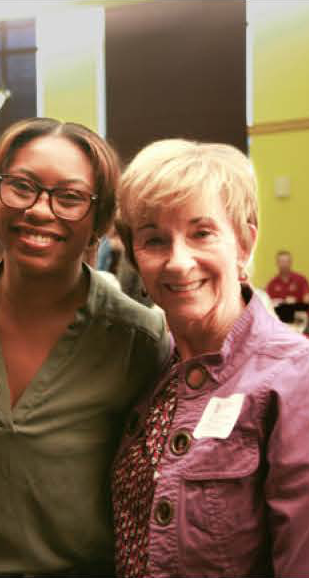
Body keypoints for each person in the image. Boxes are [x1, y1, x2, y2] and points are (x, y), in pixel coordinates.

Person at [0, 118, 164, 576]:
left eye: (70, 197)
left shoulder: (137, 339)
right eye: (22, 186)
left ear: (100, 220)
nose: (39, 209)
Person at [107, 138, 308, 577]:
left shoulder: (296, 377)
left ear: (244, 241)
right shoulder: (151, 366)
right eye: (155, 240)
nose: (179, 262)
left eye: (202, 233)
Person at [267, 249, 307, 324]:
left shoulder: (301, 279)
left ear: (291, 262)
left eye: (286, 261)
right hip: (279, 318)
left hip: (298, 316)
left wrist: (296, 301)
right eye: (281, 262)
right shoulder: (272, 283)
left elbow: (306, 299)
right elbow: (268, 304)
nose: (284, 264)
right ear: (277, 263)